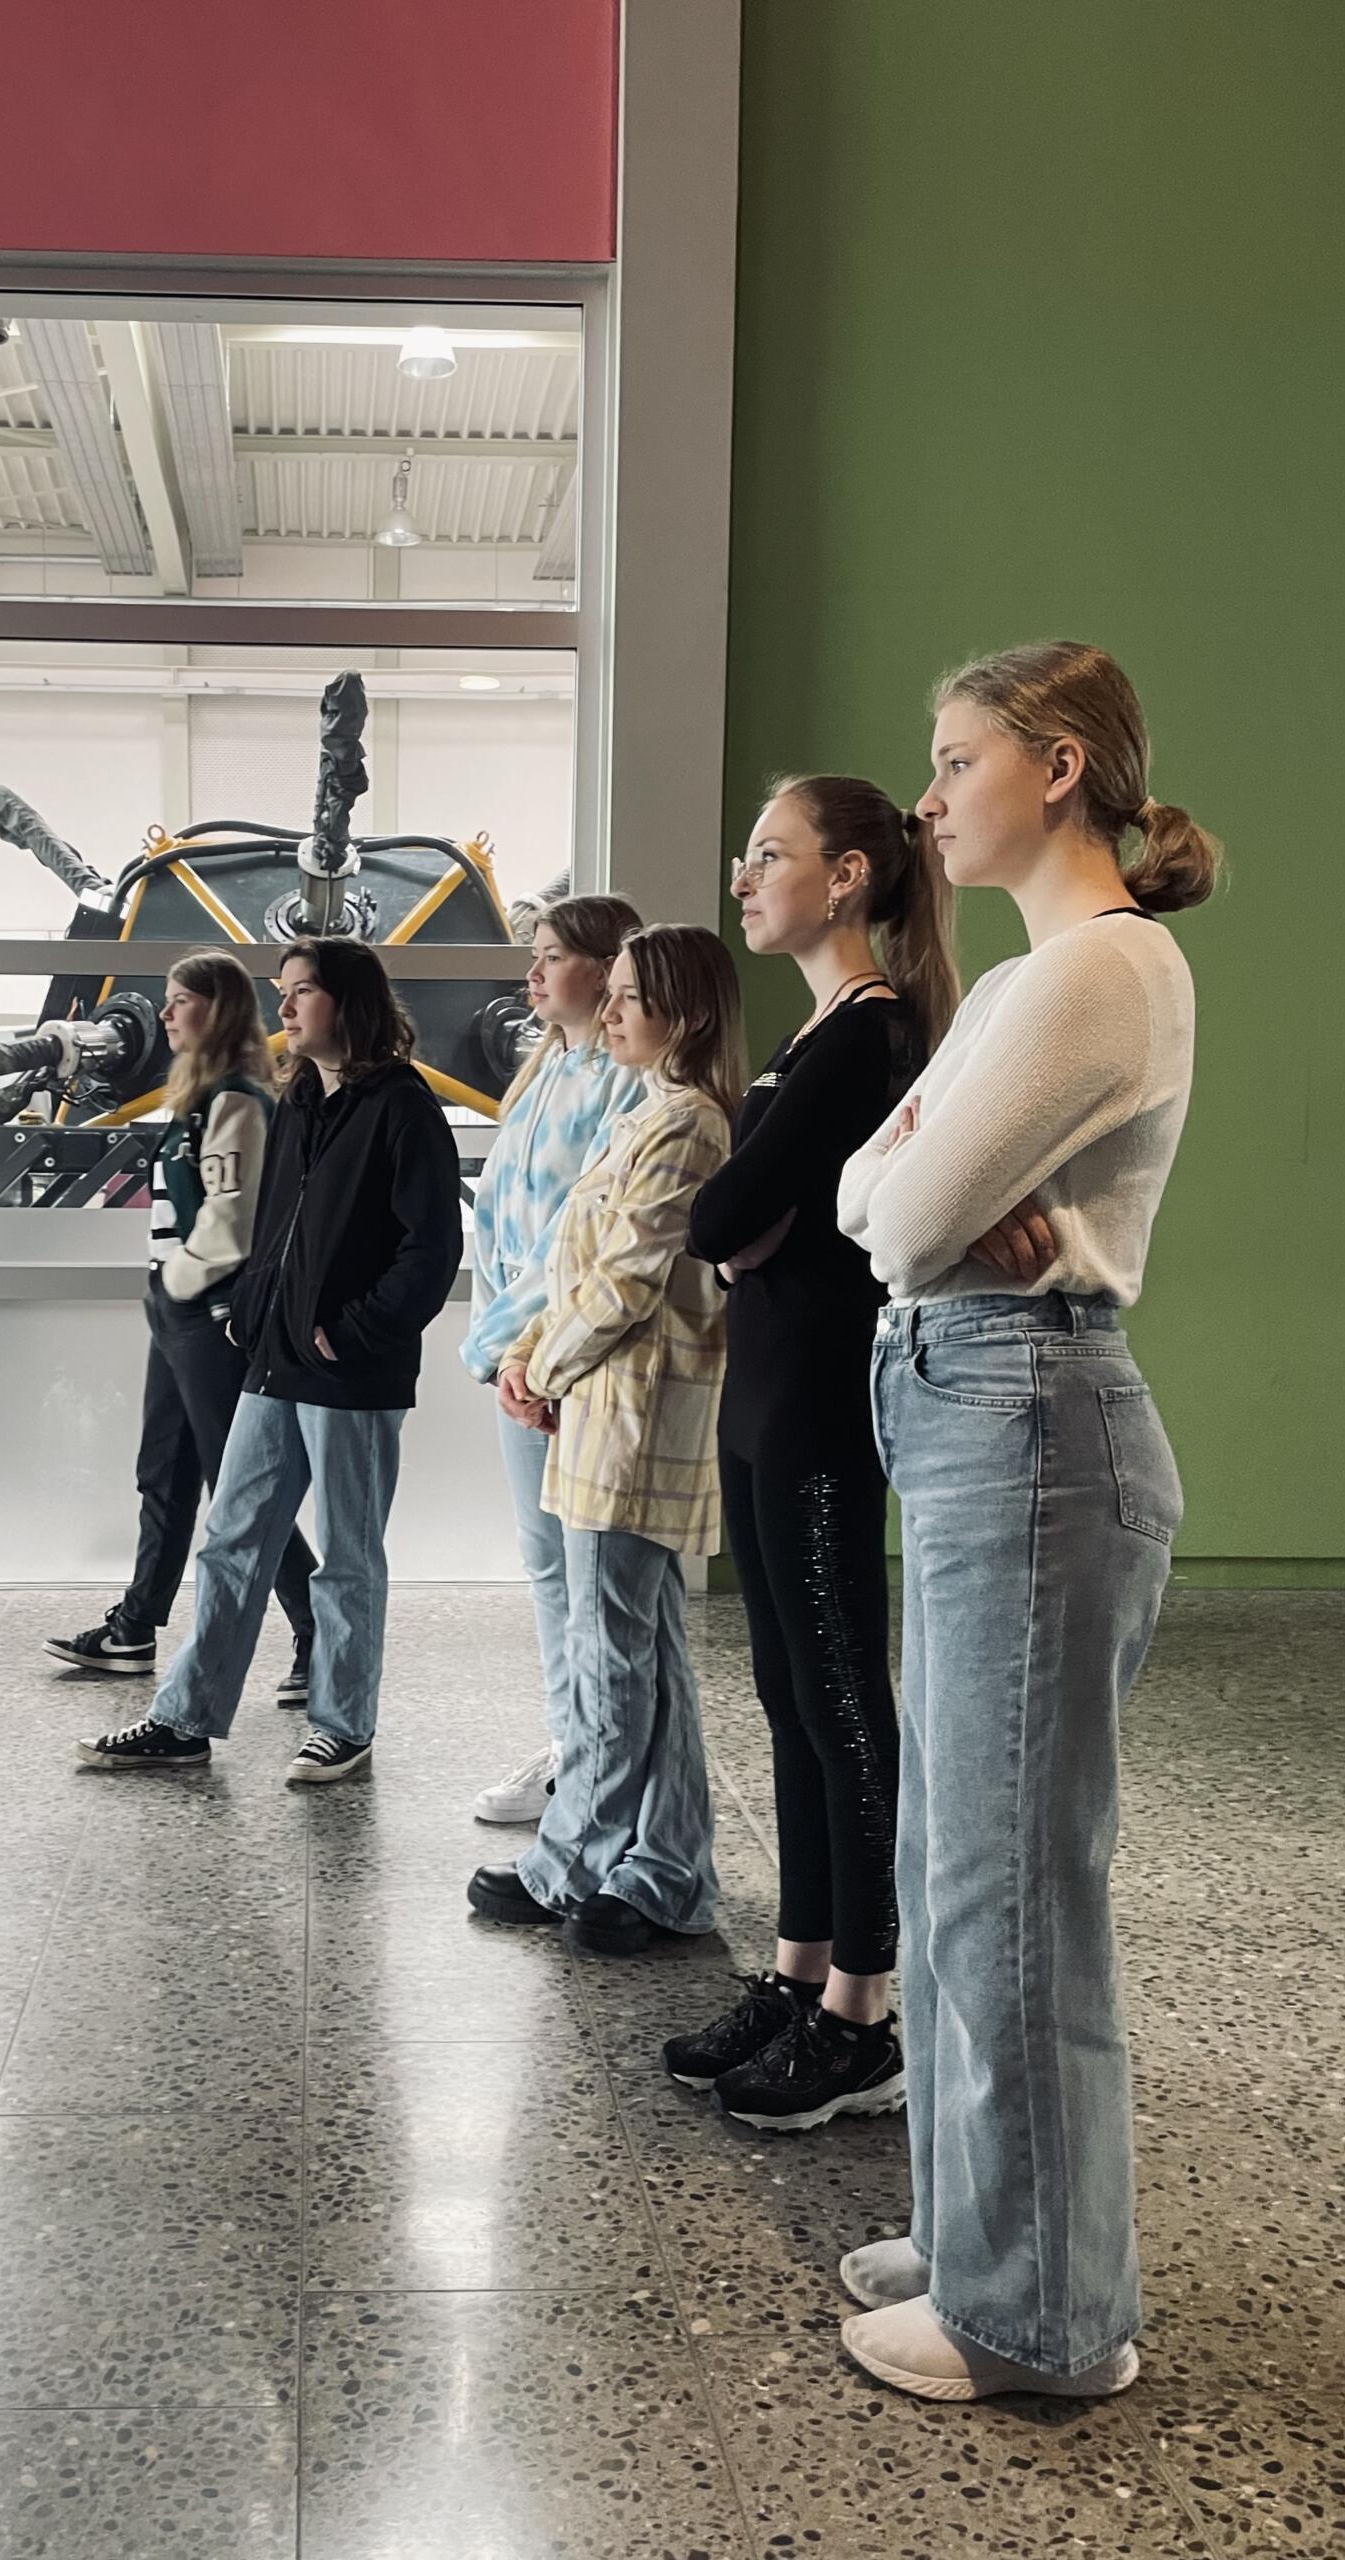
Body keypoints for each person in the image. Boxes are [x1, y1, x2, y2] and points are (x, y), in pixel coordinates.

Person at [835, 641, 1215, 2401]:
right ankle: (993, 2225)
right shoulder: (1022, 984)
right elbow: (873, 1186)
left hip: (1031, 1416)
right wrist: (915, 1181)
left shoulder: (1102, 973)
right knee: (954, 1862)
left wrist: (923, 1187)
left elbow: (905, 1226)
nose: (927, 796)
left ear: (1056, 767)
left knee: (1008, 1890)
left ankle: (1041, 2317)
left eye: (953, 757)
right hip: (983, 1409)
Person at [661, 779, 958, 2130]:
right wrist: (746, 1226)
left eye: (768, 856)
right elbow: (728, 1222)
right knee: (788, 1694)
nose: (743, 878)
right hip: (767, 1401)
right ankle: (798, 1973)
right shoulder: (813, 1037)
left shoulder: (871, 1034)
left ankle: (865, 2012)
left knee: (842, 1704)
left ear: (845, 877)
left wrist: (746, 1225)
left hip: (823, 1409)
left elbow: (720, 1205)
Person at [77, 938, 462, 1786]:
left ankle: (343, 1724)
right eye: (281, 994)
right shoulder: (302, 1102)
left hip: (348, 1370)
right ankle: (184, 1717)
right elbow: (270, 1230)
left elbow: (431, 1251)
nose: (282, 1010)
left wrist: (351, 1332)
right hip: (273, 1361)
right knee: (233, 1540)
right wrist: (253, 1314)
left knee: (349, 1555)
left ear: (348, 1002)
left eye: (300, 994)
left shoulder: (402, 1107)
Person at [466, 922, 740, 1953]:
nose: (613, 1011)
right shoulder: (651, 1114)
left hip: (633, 1413)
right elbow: (571, 1268)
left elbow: (624, 1282)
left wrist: (542, 1363)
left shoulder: (687, 1124)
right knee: (637, 1648)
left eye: (632, 996)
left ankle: (570, 1861)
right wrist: (532, 1350)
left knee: (615, 1654)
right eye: (613, 993)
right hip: (603, 1405)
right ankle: (669, 1871)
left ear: (687, 1013)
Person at [45, 951, 315, 1698]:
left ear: (217, 1010)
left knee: (237, 1487)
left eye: (178, 1001)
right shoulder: (198, 1101)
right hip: (177, 1311)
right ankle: (135, 1625)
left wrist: (175, 1286)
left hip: (206, 1316)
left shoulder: (237, 1103)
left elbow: (230, 1228)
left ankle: (318, 1628)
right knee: (162, 1472)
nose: (164, 1015)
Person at [462, 895, 645, 1825]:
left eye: (550, 956)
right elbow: (500, 1222)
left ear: (608, 967)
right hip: (516, 1361)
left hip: (568, 1366)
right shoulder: (541, 1074)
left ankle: (599, 1763)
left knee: (594, 1583)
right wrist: (501, 1349)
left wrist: (523, 1350)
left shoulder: (628, 1081)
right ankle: (573, 1742)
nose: (531, 975)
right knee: (550, 1574)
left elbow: (585, 1238)